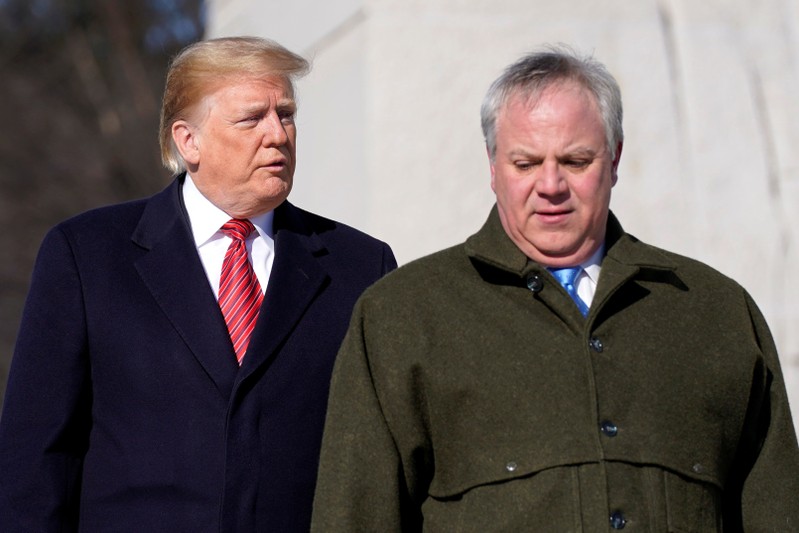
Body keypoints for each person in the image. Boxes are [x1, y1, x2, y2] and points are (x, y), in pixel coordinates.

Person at [311, 46, 799, 531]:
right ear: (492, 166)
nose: (550, 185)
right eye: (525, 163)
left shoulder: (717, 313)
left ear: (614, 159)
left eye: (575, 160)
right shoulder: (402, 317)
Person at [0, 36, 396, 532]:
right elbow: (34, 456)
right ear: (189, 141)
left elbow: (384, 460)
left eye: (286, 114)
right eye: (252, 118)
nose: (278, 134)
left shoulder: (361, 265)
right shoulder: (88, 255)